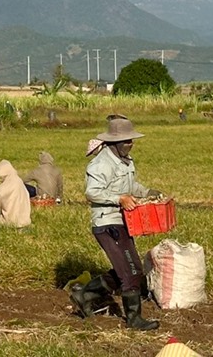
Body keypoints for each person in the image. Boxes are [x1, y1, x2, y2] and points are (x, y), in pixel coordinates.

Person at [71, 116, 161, 331]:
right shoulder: (100, 164)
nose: (131, 144)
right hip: (107, 223)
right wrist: (119, 199)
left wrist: (148, 192)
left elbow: (130, 185)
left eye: (132, 140)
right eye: (127, 141)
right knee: (129, 271)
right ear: (115, 142)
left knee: (133, 269)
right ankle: (133, 319)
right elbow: (92, 192)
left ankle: (84, 296)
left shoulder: (125, 161)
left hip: (122, 221)